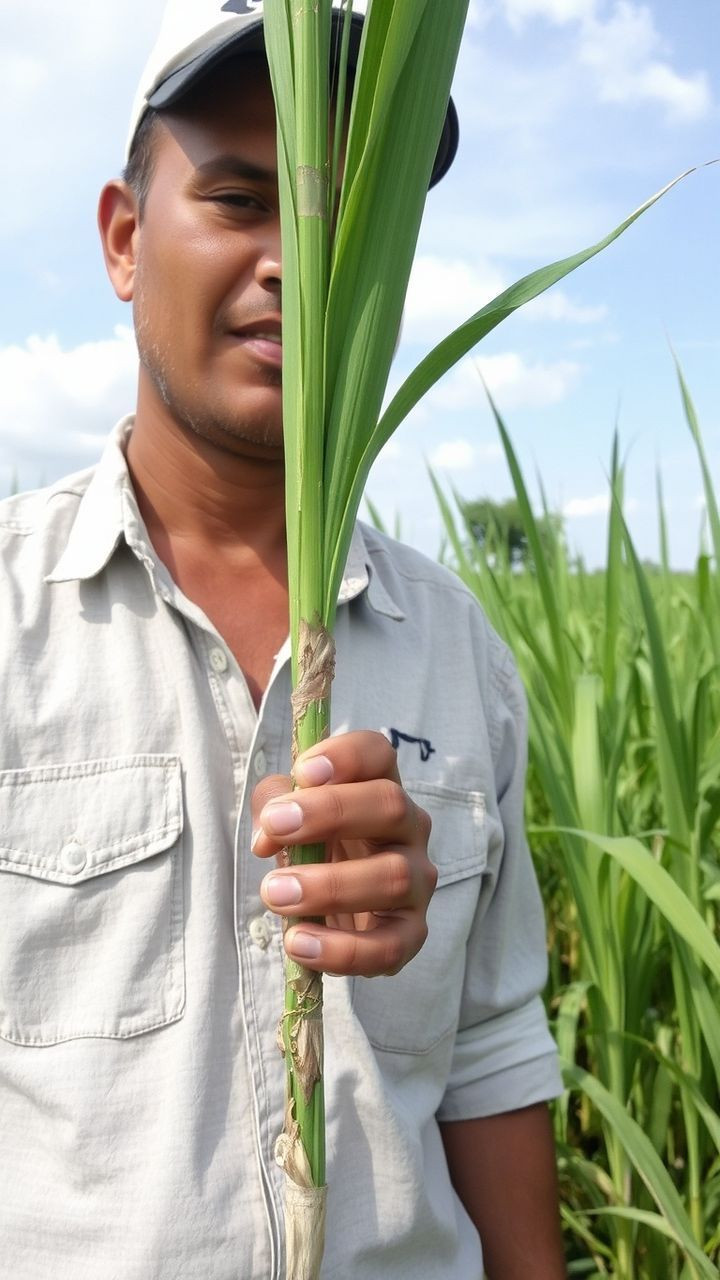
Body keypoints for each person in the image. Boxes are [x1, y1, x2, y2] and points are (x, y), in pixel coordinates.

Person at [0, 2, 565, 1276]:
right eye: (242, 198)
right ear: (126, 239)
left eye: (339, 224)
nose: (290, 262)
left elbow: (492, 1048)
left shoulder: (456, 649)